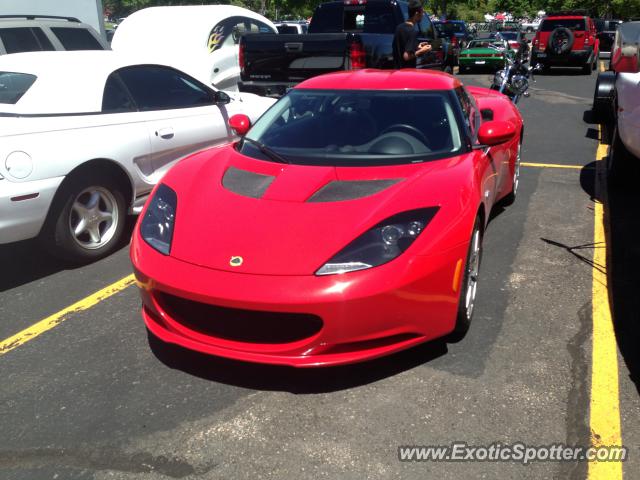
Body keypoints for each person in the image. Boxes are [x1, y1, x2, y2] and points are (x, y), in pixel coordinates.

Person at [392, 0, 432, 68]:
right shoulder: (412, 31)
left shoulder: (399, 28)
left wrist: (416, 47)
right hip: (407, 73)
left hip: (397, 71)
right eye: (422, 12)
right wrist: (422, 51)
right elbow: (406, 56)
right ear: (416, 14)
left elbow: (400, 48)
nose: (423, 15)